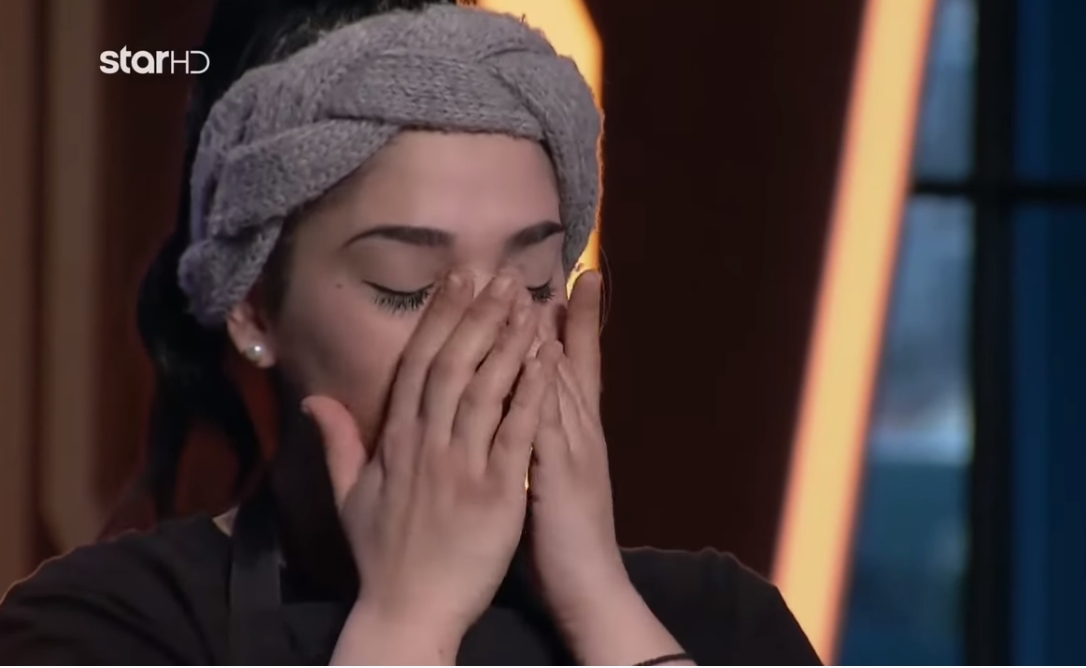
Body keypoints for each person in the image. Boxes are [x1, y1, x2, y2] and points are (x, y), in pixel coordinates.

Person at [0, 0, 821, 664]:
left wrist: (599, 600)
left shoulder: (719, 619)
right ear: (254, 309)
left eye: (536, 281)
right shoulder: (106, 628)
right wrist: (407, 621)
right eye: (409, 287)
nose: (488, 338)